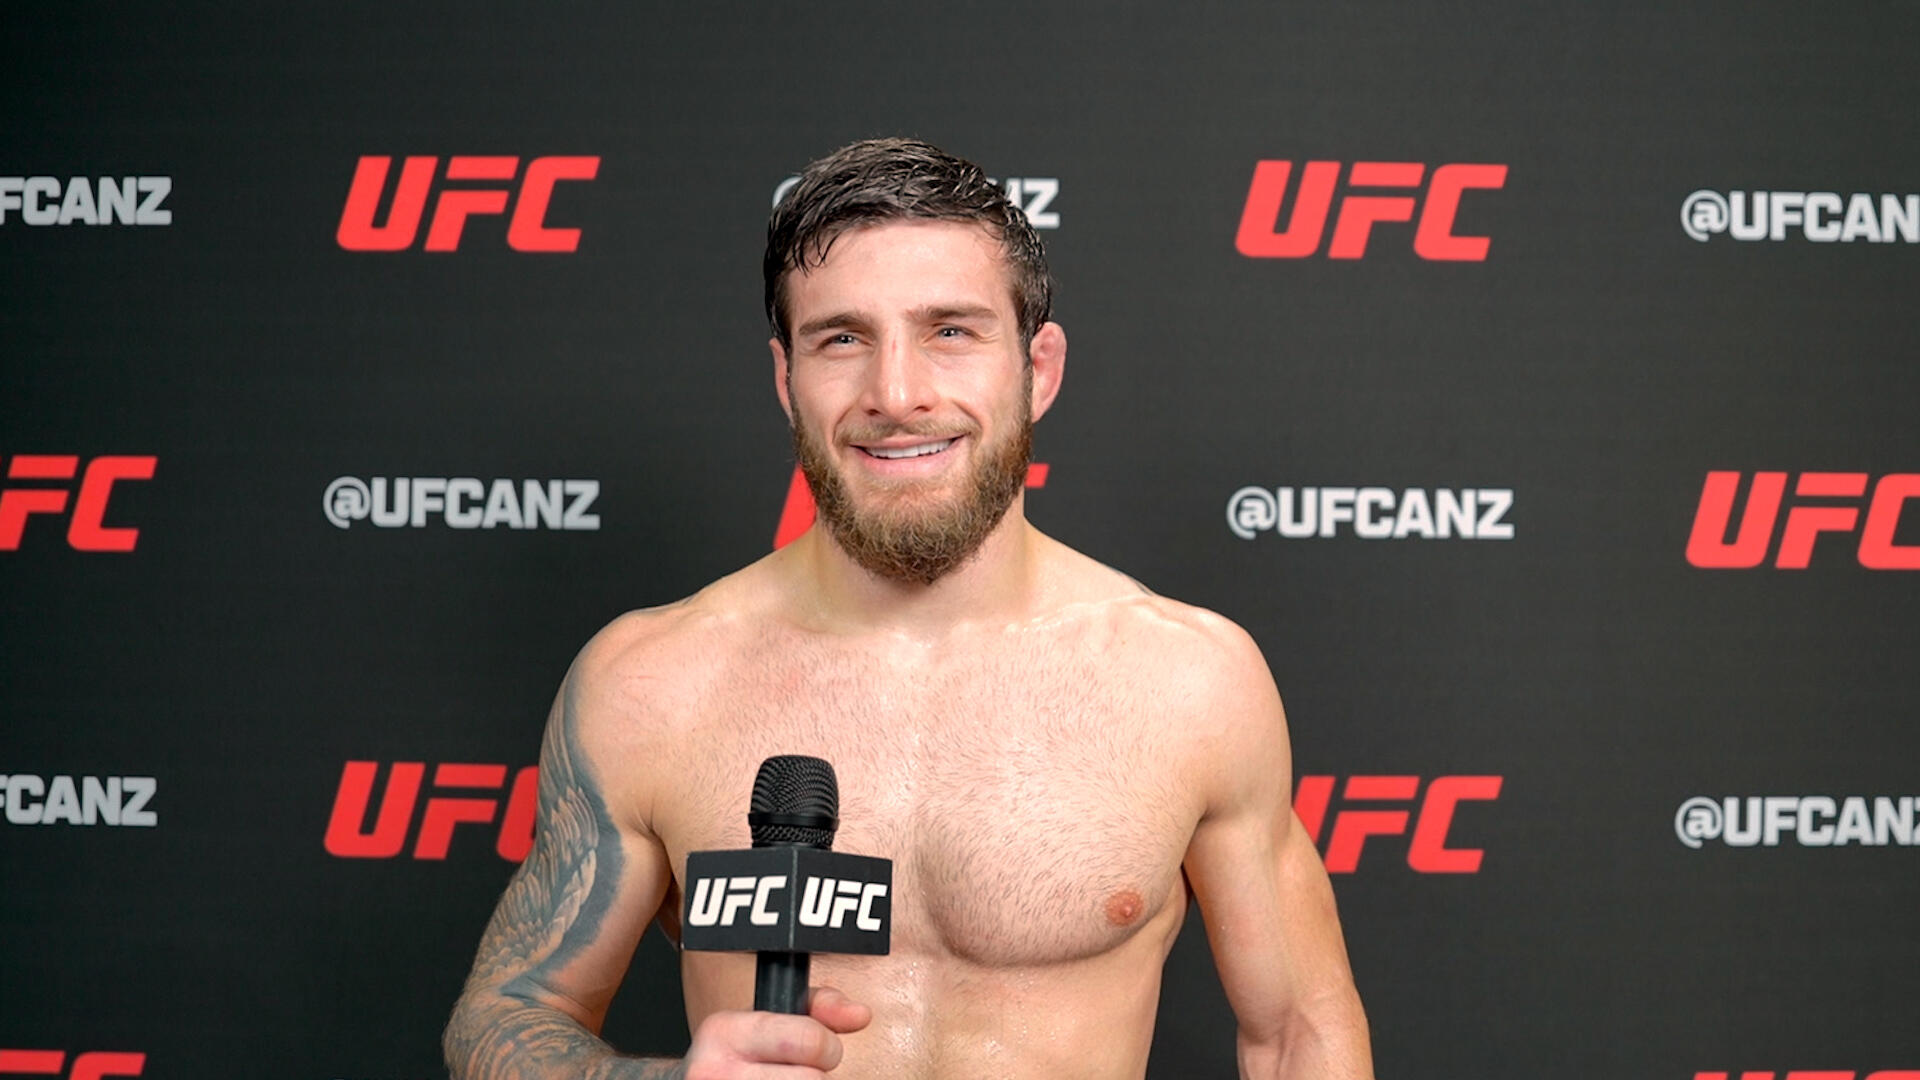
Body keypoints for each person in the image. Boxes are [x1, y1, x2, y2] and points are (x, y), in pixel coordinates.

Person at [444, 137, 1373, 1080]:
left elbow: (1298, 1031)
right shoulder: (651, 683)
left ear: (1040, 369)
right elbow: (505, 1017)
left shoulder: (1189, 681)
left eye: (951, 332)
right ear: (786, 381)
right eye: (842, 339)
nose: (896, 394)